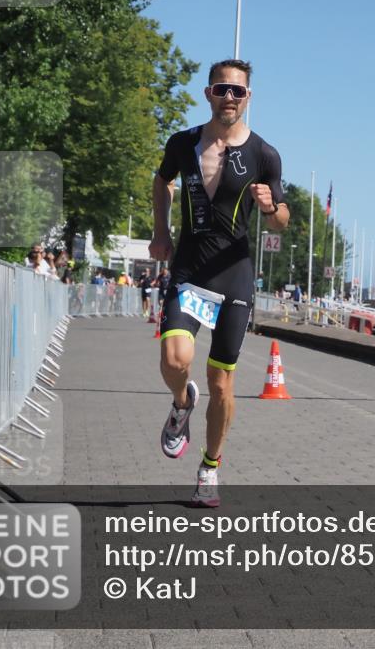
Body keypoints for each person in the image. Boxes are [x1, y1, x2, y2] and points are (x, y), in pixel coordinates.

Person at [149, 58, 289, 507]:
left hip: (234, 276)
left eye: (238, 91)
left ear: (248, 98)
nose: (229, 97)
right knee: (175, 359)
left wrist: (270, 207)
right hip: (190, 269)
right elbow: (161, 181)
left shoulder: (265, 154)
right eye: (221, 89)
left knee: (222, 382)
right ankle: (181, 403)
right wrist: (160, 231)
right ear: (208, 93)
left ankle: (210, 467)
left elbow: (283, 221)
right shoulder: (183, 143)